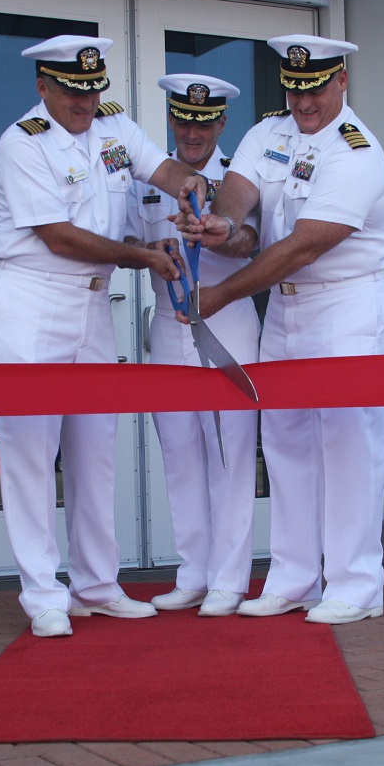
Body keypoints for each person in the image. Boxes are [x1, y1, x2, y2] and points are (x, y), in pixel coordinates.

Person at [0, 34, 208, 638]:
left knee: (95, 447)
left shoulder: (112, 127)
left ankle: (95, 585)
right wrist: (141, 256)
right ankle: (42, 593)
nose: (84, 104)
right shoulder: (22, 143)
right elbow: (58, 237)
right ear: (43, 87)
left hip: (92, 305)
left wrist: (188, 184)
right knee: (32, 451)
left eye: (92, 91)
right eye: (70, 92)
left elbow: (160, 167)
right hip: (32, 299)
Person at [177, 35, 384, 625]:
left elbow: (303, 245)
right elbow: (241, 192)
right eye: (295, 90)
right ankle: (294, 577)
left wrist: (222, 292)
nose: (304, 104)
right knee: (285, 439)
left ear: (342, 82)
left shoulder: (358, 151)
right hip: (284, 305)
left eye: (317, 90)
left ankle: (356, 585)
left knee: (349, 441)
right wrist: (220, 222)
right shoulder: (269, 132)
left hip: (348, 303)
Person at [125, 74, 259, 617]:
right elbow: (127, 240)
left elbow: (256, 244)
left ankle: (230, 579)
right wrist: (147, 247)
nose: (193, 132)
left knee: (231, 456)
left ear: (221, 123)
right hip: (168, 322)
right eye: (183, 120)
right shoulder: (149, 180)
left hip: (227, 319)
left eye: (204, 122)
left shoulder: (237, 178)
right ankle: (193, 574)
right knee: (180, 453)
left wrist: (221, 231)